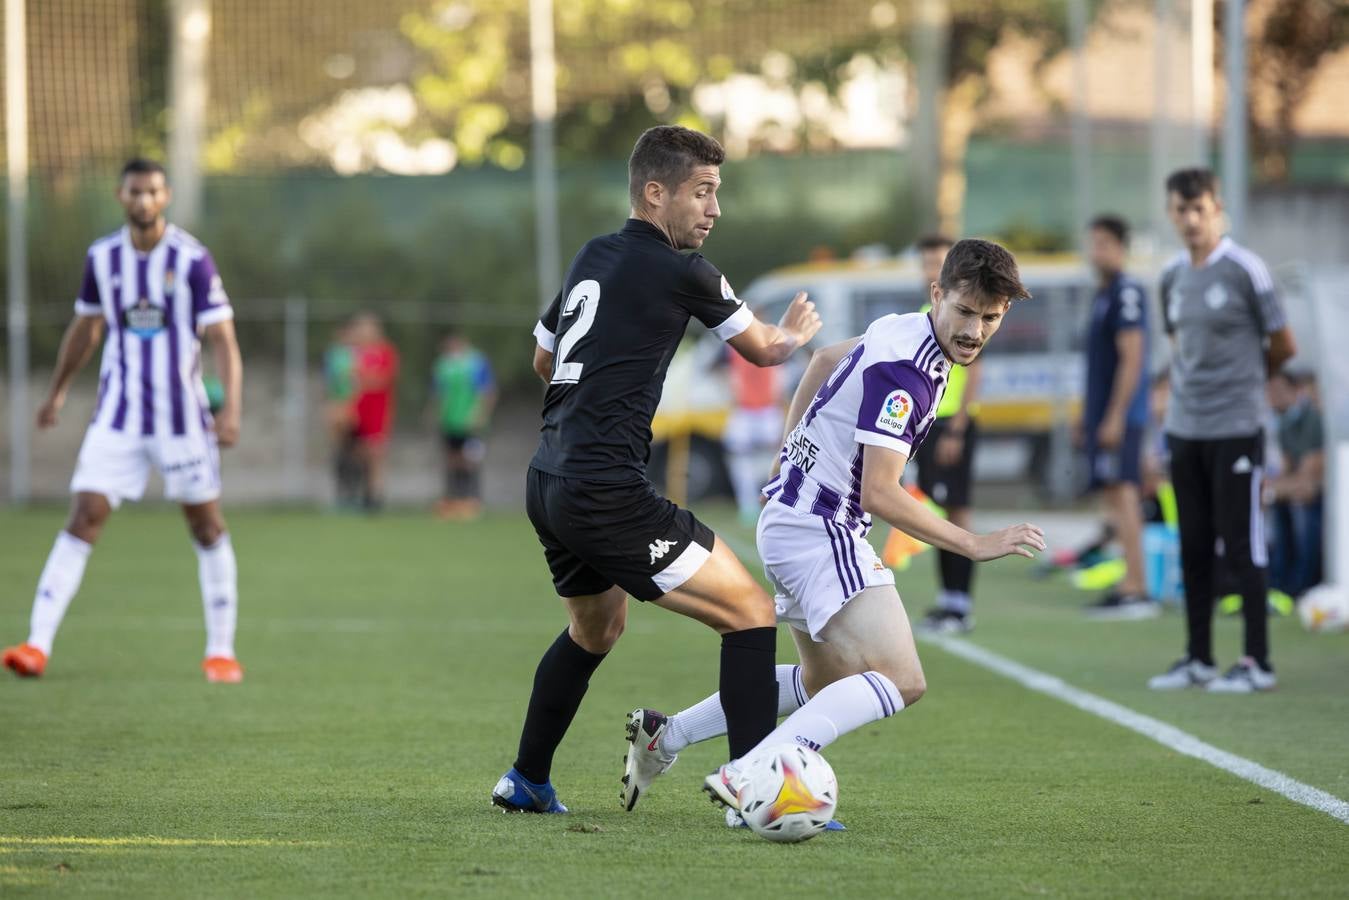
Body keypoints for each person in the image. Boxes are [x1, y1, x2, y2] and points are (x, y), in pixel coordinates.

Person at [622, 239, 1045, 822]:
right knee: (902, 678)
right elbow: (881, 491)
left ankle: (663, 738)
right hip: (822, 530)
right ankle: (754, 771)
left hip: (795, 521)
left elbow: (822, 362)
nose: (975, 330)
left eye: (991, 317)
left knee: (828, 682)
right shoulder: (910, 376)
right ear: (938, 295)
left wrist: (787, 450)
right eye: (966, 312)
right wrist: (972, 542)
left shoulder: (902, 327)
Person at [492, 125, 822, 815]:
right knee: (749, 612)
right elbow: (763, 351)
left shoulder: (593, 253)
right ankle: (755, 794)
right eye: (701, 192)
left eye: (716, 193)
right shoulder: (686, 271)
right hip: (605, 489)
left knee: (595, 630)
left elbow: (542, 360)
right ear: (654, 193)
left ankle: (526, 780)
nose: (714, 209)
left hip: (549, 480)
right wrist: (794, 333)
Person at [1, 158, 245, 683]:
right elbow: (87, 329)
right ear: (121, 195)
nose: (143, 201)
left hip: (182, 422)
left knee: (206, 526)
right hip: (118, 418)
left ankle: (220, 652)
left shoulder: (192, 259)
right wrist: (58, 392)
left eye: (152, 191)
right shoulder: (102, 257)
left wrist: (231, 410)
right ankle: (36, 645)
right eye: (135, 192)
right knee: (83, 516)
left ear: (166, 196)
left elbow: (222, 338)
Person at [1147, 167, 1296, 694]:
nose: (1189, 220)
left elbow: (1283, 344)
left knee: (1242, 544)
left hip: (1237, 427)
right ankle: (1199, 657)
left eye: (1199, 209)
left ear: (1217, 209)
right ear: (1170, 213)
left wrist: (1248, 387)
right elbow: (1178, 346)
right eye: (1180, 210)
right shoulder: (1171, 276)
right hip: (1186, 429)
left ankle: (1257, 661)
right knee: (1192, 545)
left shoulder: (1245, 269)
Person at [1077, 214, 1156, 619]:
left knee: (1125, 493)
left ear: (1121, 247)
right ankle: (1129, 580)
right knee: (1112, 493)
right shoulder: (1104, 294)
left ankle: (1138, 588)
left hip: (1121, 417)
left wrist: (1115, 416)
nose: (1096, 252)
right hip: (1102, 415)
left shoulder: (1127, 292)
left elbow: (1133, 358)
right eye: (1093, 243)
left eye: (1104, 243)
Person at [908, 234, 986, 634]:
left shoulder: (963, 312)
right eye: (926, 261)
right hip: (929, 427)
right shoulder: (927, 311)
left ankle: (961, 604)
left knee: (956, 511)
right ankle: (947, 599)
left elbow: (975, 370)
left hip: (953, 424)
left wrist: (958, 427)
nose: (930, 267)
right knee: (937, 513)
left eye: (937, 260)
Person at [1266, 369, 1324, 599]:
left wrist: (1280, 488)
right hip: (1295, 489)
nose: (1274, 397)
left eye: (1279, 391)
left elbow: (1310, 473)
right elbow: (1286, 469)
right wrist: (1275, 489)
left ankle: (1304, 585)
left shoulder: (1312, 419)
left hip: (1318, 492)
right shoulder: (1284, 424)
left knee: (1302, 506)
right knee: (1277, 503)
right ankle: (1280, 584)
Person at [431, 330, 496, 519]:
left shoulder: (477, 362)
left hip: (471, 422)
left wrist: (480, 414)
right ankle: (453, 499)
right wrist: (435, 414)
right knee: (451, 459)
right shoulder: (442, 364)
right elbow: (438, 393)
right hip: (450, 421)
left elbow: (488, 391)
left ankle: (473, 500)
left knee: (470, 460)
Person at [723, 348, 784, 525]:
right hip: (744, 410)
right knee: (741, 459)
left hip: (768, 409)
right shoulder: (733, 345)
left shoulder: (775, 340)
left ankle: (774, 504)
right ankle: (748, 508)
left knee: (776, 459)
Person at [350, 313, 399, 511]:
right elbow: (351, 381)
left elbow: (383, 380)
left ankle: (375, 498)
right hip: (359, 408)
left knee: (376, 453)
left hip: (378, 409)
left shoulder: (386, 352)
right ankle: (362, 493)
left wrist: (364, 379)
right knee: (360, 453)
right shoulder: (356, 353)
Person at [324, 321, 362, 508]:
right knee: (340, 451)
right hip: (340, 406)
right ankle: (341, 495)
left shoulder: (359, 355)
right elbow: (330, 383)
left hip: (357, 407)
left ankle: (356, 494)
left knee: (356, 451)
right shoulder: (334, 355)